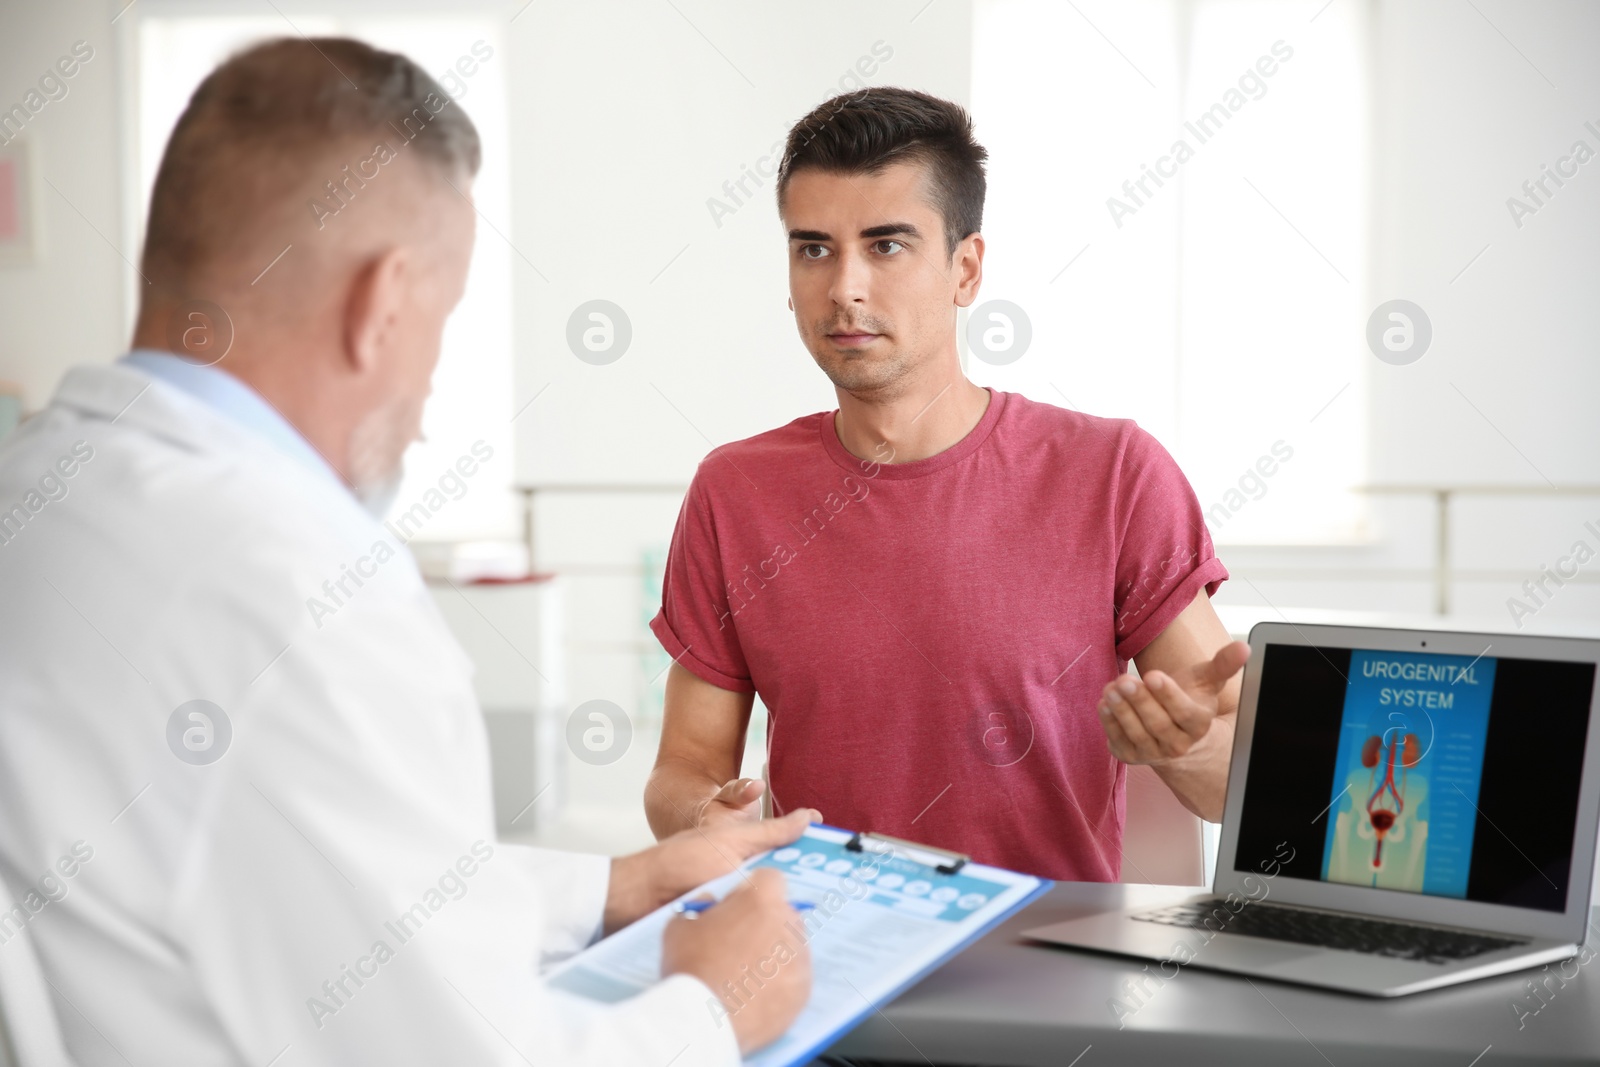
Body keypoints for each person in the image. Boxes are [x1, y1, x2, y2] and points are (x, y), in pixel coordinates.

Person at [0, 38, 813, 1065]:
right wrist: (716, 1002)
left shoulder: (41, 487)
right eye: (444, 320)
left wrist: (608, 888)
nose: (427, 403)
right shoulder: (306, 593)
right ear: (383, 305)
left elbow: (293, 876)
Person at [645, 87, 1251, 881]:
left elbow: (1229, 780)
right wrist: (704, 817)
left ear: (965, 269)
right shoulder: (734, 492)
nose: (845, 289)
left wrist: (1190, 747)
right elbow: (683, 767)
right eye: (814, 248)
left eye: (887, 245)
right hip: (824, 962)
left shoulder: (1114, 476)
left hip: (1049, 972)